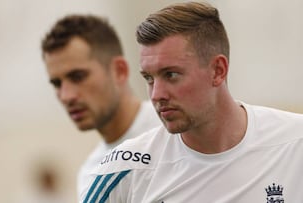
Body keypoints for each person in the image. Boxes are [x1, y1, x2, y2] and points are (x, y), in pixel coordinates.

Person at [81, 2, 303, 203]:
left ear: (218, 70)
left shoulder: (295, 143)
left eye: (171, 75)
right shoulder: (125, 170)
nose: (156, 94)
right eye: (149, 78)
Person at [40, 14, 161, 199]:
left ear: (119, 70)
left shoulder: (174, 134)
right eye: (57, 83)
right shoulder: (91, 174)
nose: (66, 96)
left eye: (78, 76)